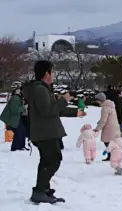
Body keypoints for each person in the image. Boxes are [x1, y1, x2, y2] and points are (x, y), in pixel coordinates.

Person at [21, 60, 86, 203]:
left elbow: (54, 110)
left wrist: (75, 113)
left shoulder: (43, 88)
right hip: (45, 132)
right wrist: (64, 100)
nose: (54, 75)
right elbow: (48, 111)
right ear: (46, 73)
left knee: (48, 161)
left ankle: (43, 190)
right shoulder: (39, 89)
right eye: (53, 71)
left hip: (46, 131)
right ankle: (40, 191)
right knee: (52, 161)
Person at [0, 85, 26, 152]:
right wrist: (24, 107)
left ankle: (21, 147)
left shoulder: (19, 98)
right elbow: (14, 110)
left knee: (22, 131)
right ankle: (15, 148)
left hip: (15, 118)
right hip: (11, 119)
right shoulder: (15, 98)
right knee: (19, 132)